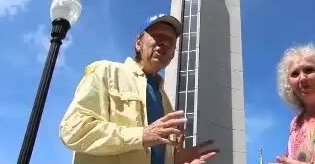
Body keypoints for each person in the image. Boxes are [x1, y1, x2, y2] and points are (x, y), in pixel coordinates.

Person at [59, 14, 218, 164]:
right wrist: (141, 135)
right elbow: (73, 130)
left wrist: (176, 160)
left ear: (172, 55)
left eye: (171, 43)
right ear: (138, 43)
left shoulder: (165, 102)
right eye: (158, 36)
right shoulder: (106, 72)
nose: (165, 44)